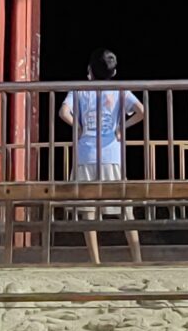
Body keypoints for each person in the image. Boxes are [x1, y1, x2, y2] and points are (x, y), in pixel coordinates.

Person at [61, 50, 145, 263]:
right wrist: (121, 128)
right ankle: (137, 259)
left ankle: (95, 261)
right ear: (114, 72)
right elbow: (141, 110)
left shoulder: (79, 90)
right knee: (125, 208)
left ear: (89, 71)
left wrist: (78, 128)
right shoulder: (119, 91)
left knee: (88, 210)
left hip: (85, 154)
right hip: (111, 154)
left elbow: (63, 112)